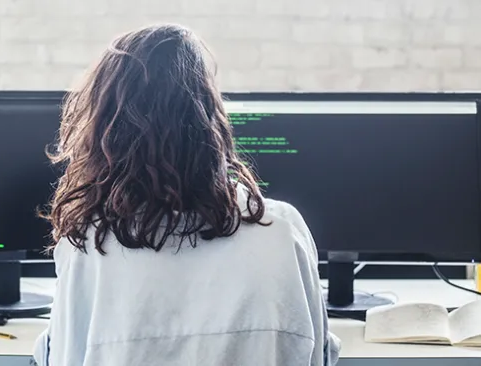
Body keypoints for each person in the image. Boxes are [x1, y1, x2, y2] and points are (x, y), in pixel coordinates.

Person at [33, 23, 341, 366]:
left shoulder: (92, 242)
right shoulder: (282, 230)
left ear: (106, 128)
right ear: (210, 119)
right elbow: (317, 355)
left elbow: (63, 358)